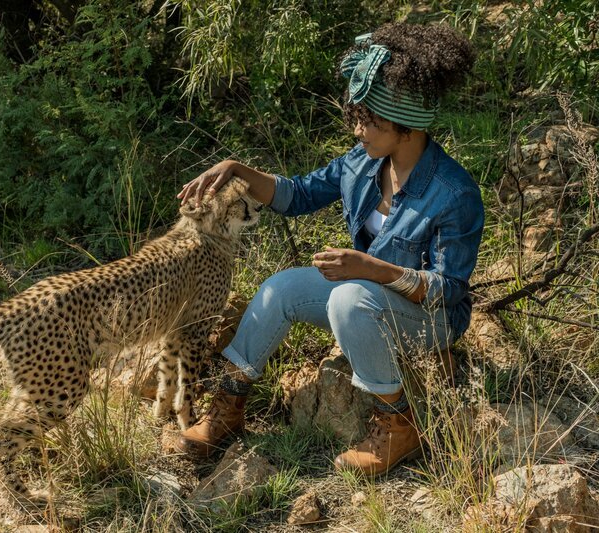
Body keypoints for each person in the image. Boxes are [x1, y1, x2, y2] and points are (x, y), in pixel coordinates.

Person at [174, 22, 484, 476]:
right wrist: (237, 170)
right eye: (356, 116)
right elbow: (298, 194)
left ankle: (399, 424)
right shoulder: (362, 162)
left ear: (407, 125)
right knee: (281, 289)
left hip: (430, 320)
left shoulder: (453, 192)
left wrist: (373, 269)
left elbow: (449, 291)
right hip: (366, 300)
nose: (357, 128)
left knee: (348, 296)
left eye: (369, 119)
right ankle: (228, 407)